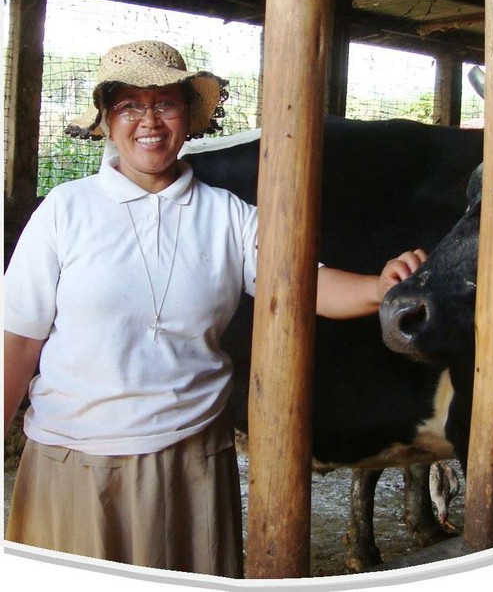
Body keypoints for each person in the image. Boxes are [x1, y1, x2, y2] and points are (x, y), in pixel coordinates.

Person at [3, 40, 425, 577]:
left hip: (192, 461)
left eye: (165, 103)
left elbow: (303, 284)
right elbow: (18, 340)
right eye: (129, 105)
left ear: (188, 117)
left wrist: (380, 287)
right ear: (106, 120)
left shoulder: (227, 214)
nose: (149, 121)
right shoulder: (66, 210)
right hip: (74, 460)